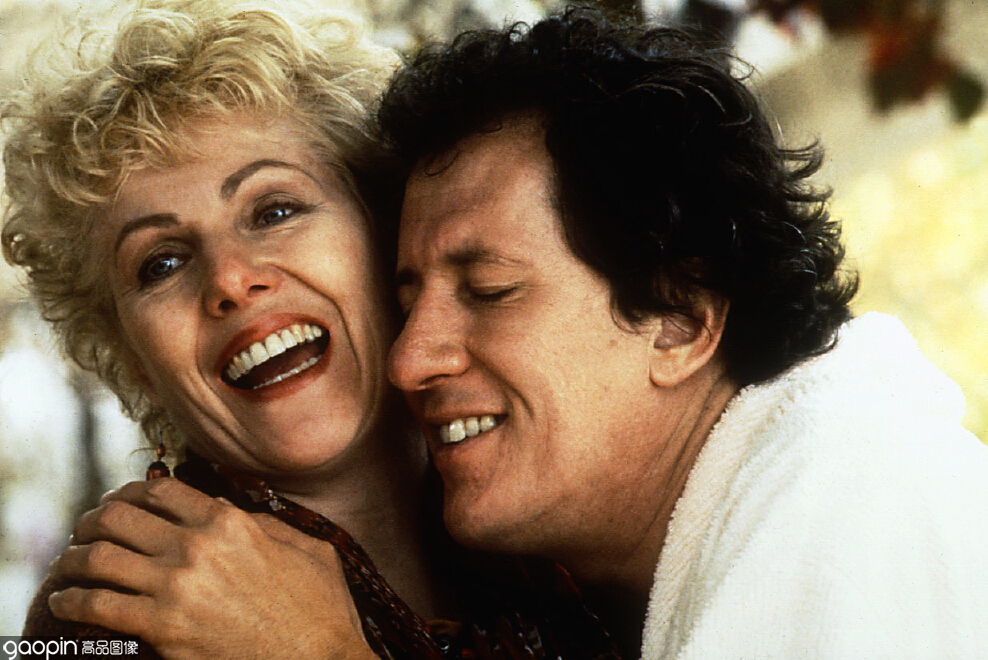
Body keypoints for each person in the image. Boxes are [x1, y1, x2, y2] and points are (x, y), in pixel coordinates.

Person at [376, 9, 988, 660]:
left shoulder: (850, 523)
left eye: (489, 290)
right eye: (405, 305)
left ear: (680, 322)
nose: (408, 360)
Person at [1, 3, 618, 659]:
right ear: (136, 362)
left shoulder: (552, 519)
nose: (230, 280)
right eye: (162, 264)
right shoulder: (114, 614)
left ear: (388, 237)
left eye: (273, 211)